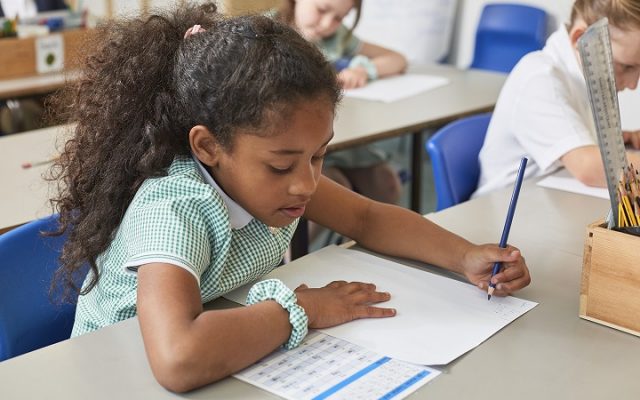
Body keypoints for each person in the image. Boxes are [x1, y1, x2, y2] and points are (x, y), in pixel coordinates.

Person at [49, 3, 530, 393]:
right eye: (282, 165)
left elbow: (365, 217)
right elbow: (178, 358)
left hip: (224, 350)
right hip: (116, 374)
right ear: (208, 147)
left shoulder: (272, 183)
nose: (305, 183)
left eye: (320, 156)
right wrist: (302, 309)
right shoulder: (175, 209)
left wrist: (465, 255)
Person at [473, 0, 640, 198]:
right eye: (627, 67)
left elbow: (573, 140)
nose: (633, 84)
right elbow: (587, 167)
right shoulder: (539, 78)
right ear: (581, 39)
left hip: (548, 202)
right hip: (502, 214)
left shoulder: (583, 78)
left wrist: (620, 138)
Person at [276, 0, 408, 207]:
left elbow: (397, 59)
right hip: (296, 144)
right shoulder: (267, 32)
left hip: (339, 137)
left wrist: (363, 70)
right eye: (322, 10)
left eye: (339, 18)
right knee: (331, 195)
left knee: (386, 184)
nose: (328, 24)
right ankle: (295, 240)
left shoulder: (337, 37)